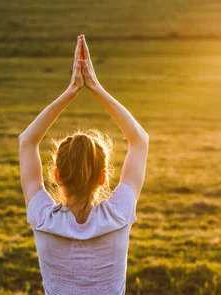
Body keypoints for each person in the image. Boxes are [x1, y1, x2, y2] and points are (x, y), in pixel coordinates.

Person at [19, 34, 149, 295]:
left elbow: (27, 141)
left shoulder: (43, 218)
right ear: (102, 178)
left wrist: (71, 91)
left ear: (56, 175)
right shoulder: (118, 215)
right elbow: (139, 140)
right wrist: (95, 87)